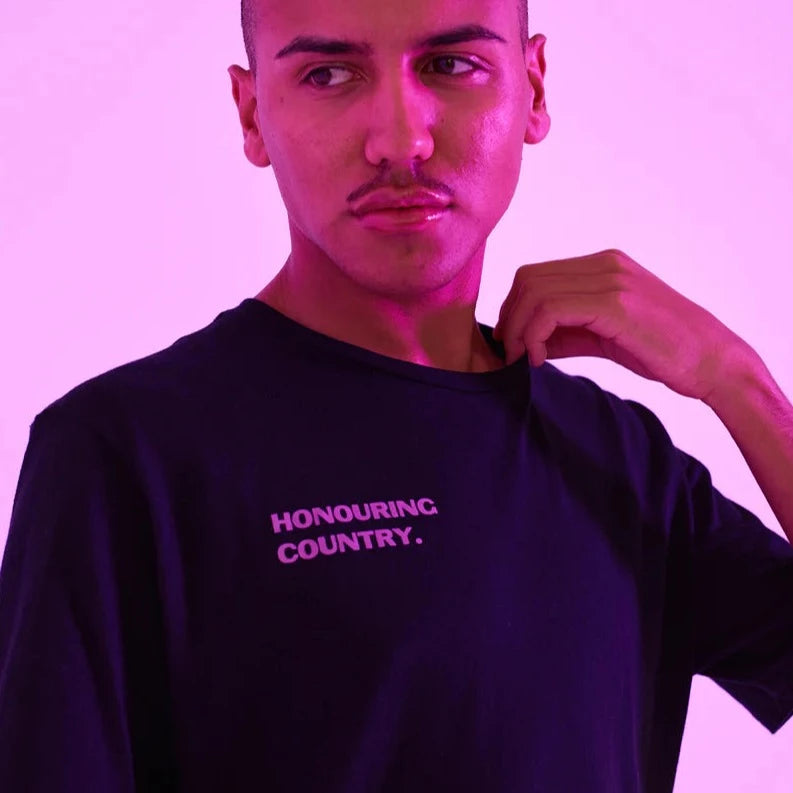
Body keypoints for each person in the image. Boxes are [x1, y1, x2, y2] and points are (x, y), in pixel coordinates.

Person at [1, 1, 792, 791]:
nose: (400, 141)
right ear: (251, 114)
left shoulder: (618, 455)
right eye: (328, 75)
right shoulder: (124, 452)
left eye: (451, 65)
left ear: (532, 88)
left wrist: (735, 380)